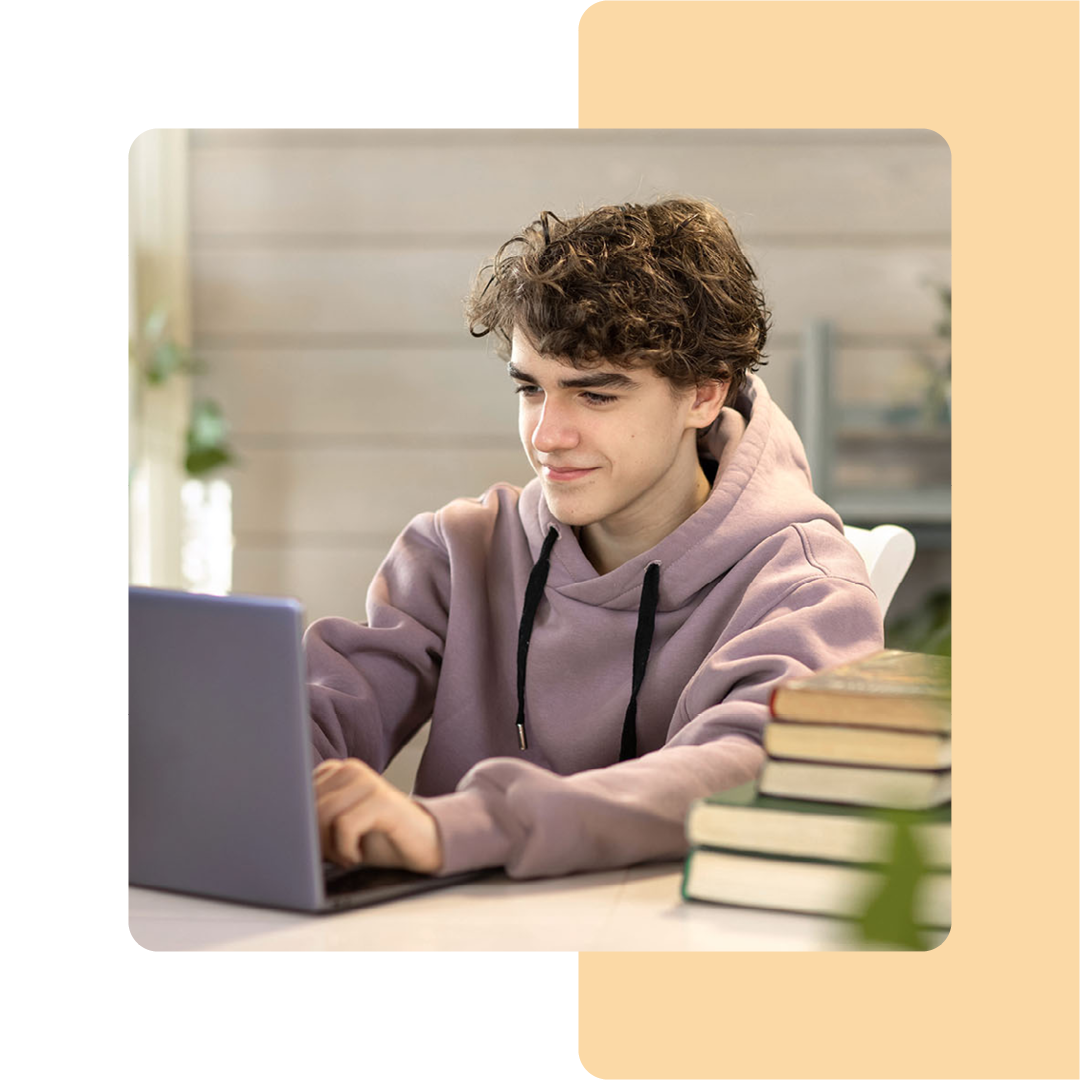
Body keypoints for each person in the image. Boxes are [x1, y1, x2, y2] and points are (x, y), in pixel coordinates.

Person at [305, 197, 885, 879]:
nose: (547, 436)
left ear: (703, 395)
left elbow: (750, 764)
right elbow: (314, 714)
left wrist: (465, 825)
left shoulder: (807, 587)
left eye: (596, 395)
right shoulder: (457, 553)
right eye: (531, 389)